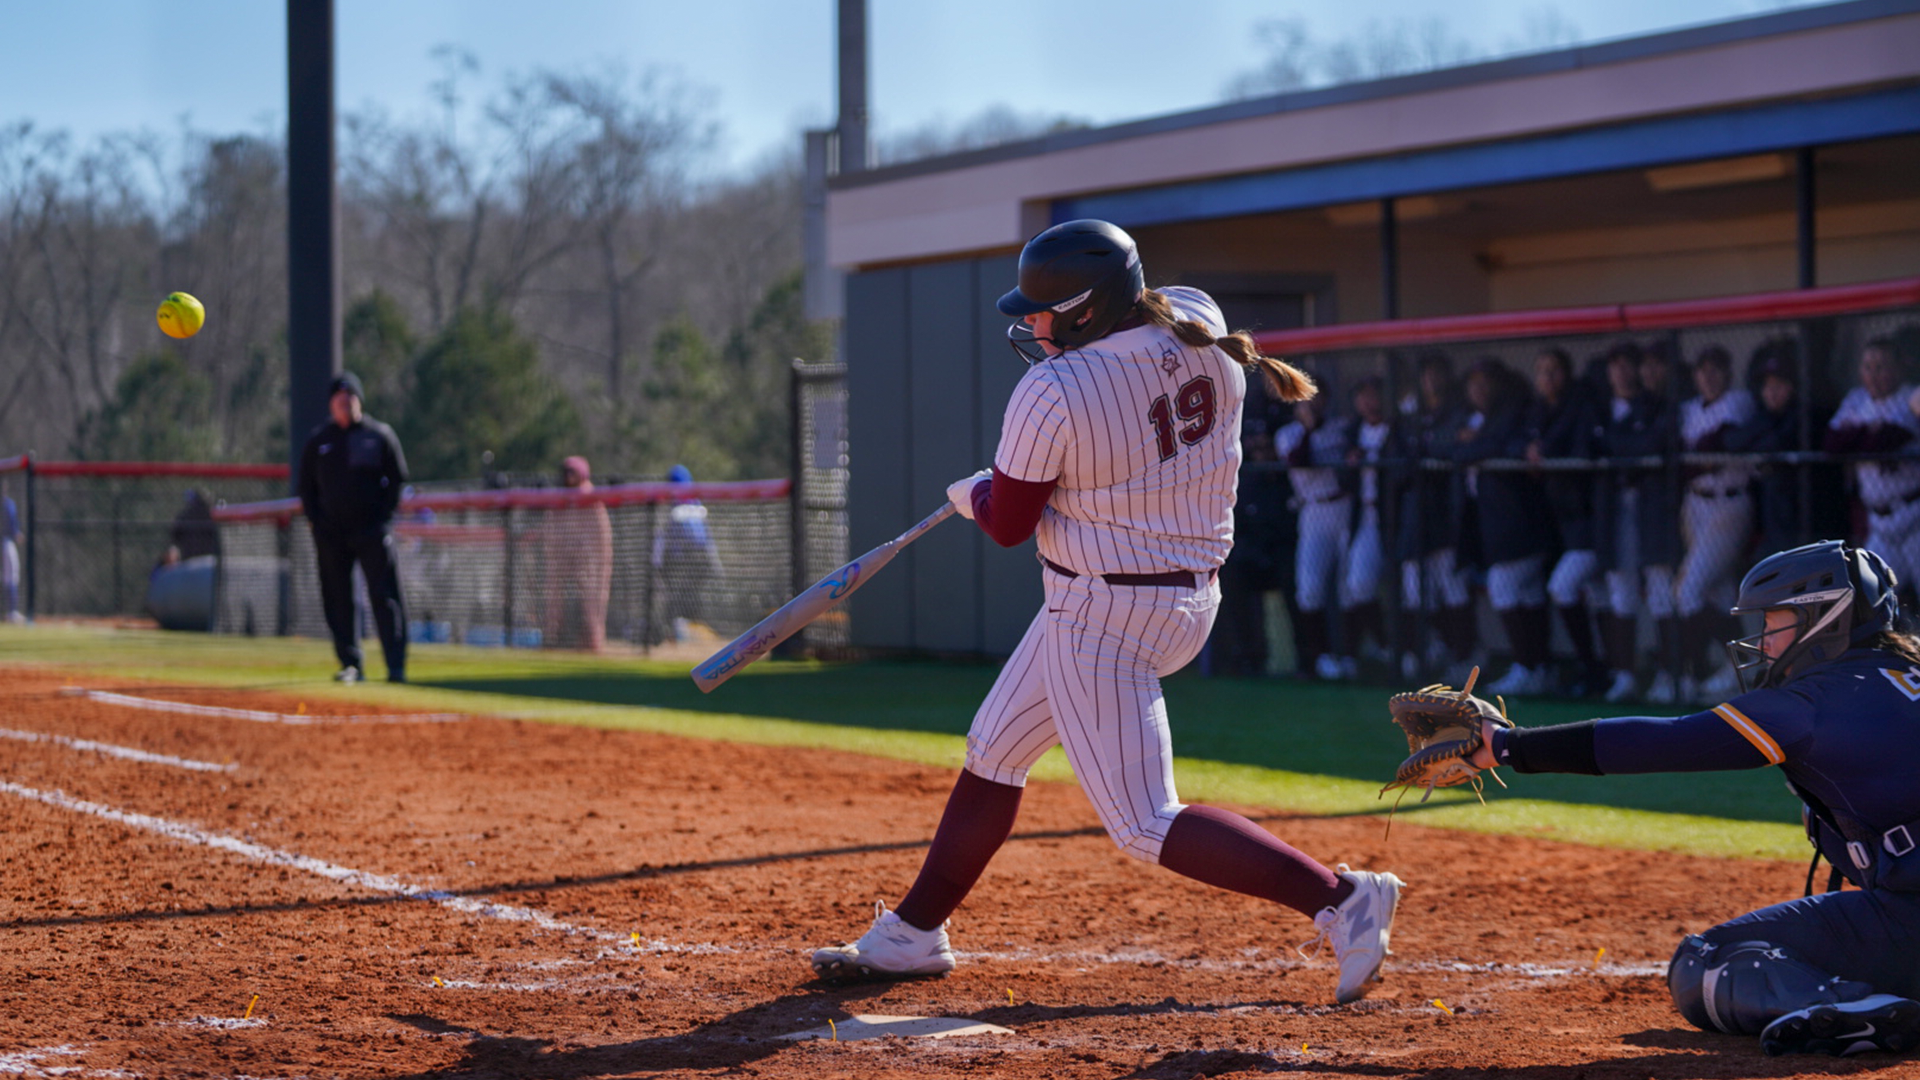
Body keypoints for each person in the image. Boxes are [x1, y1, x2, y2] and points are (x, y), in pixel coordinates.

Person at [809, 219, 1405, 1004]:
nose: (1032, 324)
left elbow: (1010, 524)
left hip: (1107, 615)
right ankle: (914, 933)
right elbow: (1117, 422)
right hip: (1177, 599)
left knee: (1144, 822)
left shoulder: (1051, 391)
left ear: (1090, 311)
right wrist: (1023, 473)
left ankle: (1342, 898)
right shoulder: (1197, 318)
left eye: (1047, 312)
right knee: (994, 749)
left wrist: (975, 492)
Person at [1457, 540, 1920, 1058]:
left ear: (1824, 617)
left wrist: (1503, 745)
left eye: (1774, 621)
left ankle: (1859, 1007)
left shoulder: (1814, 701)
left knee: (1707, 960)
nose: (1764, 641)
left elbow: (1665, 739)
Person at [297, 372, 409, 683]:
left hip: (372, 531)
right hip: (332, 534)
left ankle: (396, 666)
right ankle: (351, 663)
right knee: (338, 598)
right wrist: (316, 522)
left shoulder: (379, 435)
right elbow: (306, 488)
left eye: (350, 398)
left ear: (359, 400)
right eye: (339, 399)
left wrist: (383, 519)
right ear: (331, 404)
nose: (345, 404)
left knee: (384, 597)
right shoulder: (320, 441)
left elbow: (397, 480)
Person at [1455, 360, 1556, 697]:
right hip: (1489, 525)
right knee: (1525, 593)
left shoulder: (1513, 413)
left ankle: (1529, 666)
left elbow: (1497, 445)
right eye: (1474, 384)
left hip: (1521, 523)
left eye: (1486, 383)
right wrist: (1472, 443)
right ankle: (1536, 668)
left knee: (1504, 586)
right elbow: (1450, 448)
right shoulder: (1471, 419)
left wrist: (1477, 442)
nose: (1479, 390)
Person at [1596, 342, 1679, 704]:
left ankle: (1672, 674)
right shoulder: (1637, 405)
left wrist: (1625, 447)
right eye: (1644, 365)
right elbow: (1611, 444)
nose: (1648, 373)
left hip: (1662, 509)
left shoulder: (1675, 403)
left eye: (1655, 365)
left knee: (1664, 590)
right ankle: (1624, 675)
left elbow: (1650, 444)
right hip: (1623, 508)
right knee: (1621, 591)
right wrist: (1626, 446)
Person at [1674, 346, 1755, 701]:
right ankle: (1736, 670)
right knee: (1718, 592)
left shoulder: (1739, 401)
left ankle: (1701, 670)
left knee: (1686, 590)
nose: (1708, 376)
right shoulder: (1688, 409)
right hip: (1695, 503)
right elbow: (1681, 455)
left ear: (1727, 373)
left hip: (1730, 503)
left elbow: (1717, 443)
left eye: (1715, 369)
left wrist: (1694, 458)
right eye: (1702, 370)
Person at [1524, 348, 1606, 694]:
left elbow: (1582, 452)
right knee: (1599, 595)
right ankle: (1595, 669)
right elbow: (1517, 441)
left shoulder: (1581, 407)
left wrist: (1546, 453)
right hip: (1559, 524)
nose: (1548, 378)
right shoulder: (1538, 411)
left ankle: (1593, 668)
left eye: (1555, 370)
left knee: (1564, 586)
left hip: (1590, 520)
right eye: (1542, 371)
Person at [1397, 351, 1476, 682]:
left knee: (1452, 588)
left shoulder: (1458, 411)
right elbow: (1404, 454)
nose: (1431, 380)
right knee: (1415, 590)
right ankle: (1427, 649)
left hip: (1449, 511)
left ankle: (1465, 654)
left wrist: (1433, 446)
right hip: (1416, 515)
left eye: (1436, 373)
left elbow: (1453, 446)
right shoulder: (1409, 413)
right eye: (1425, 374)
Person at [1825, 338, 1920, 593]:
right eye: (1868, 367)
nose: (1874, 374)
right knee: (1870, 598)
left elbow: (1883, 440)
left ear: (1898, 369)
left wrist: (1857, 433)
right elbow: (1832, 444)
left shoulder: (1910, 396)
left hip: (1914, 516)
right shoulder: (1857, 399)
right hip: (1879, 523)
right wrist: (1867, 432)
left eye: (1881, 366)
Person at [1277, 392, 1356, 679]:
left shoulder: (1340, 428)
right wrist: (1309, 429)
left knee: (1351, 586)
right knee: (1309, 588)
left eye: (1316, 401)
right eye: (1304, 403)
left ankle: (1349, 657)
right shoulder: (1288, 434)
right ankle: (1321, 657)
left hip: (1345, 506)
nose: (1311, 407)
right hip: (1313, 511)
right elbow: (1298, 460)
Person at [542, 455, 613, 651]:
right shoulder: (559, 497)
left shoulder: (591, 497)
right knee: (553, 595)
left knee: (592, 598)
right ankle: (552, 637)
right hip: (562, 555)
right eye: (566, 472)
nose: (567, 476)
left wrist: (593, 556)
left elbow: (601, 536)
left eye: (572, 471)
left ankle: (593, 640)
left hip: (588, 558)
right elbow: (550, 529)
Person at [652, 464, 722, 644]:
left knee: (686, 600)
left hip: (686, 561)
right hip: (684, 561)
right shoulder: (687, 505)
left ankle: (686, 634)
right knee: (678, 600)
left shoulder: (688, 505)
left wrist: (657, 561)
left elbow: (705, 537)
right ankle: (675, 634)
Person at [2, 483, 21, 623]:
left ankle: (10, 612)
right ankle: (11, 612)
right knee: (11, 576)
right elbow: (12, 525)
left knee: (7, 577)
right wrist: (16, 534)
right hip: (5, 542)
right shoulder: (7, 504)